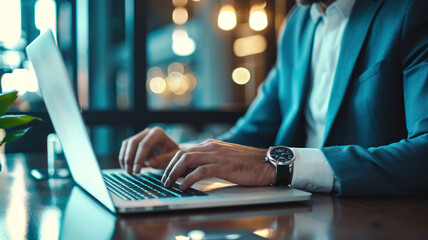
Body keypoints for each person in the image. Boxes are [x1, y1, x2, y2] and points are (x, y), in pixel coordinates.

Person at [119, 0, 428, 196]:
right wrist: (187, 155)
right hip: (296, 216)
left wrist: (281, 166)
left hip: (375, 218)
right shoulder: (296, 26)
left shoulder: (410, 10)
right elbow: (252, 132)